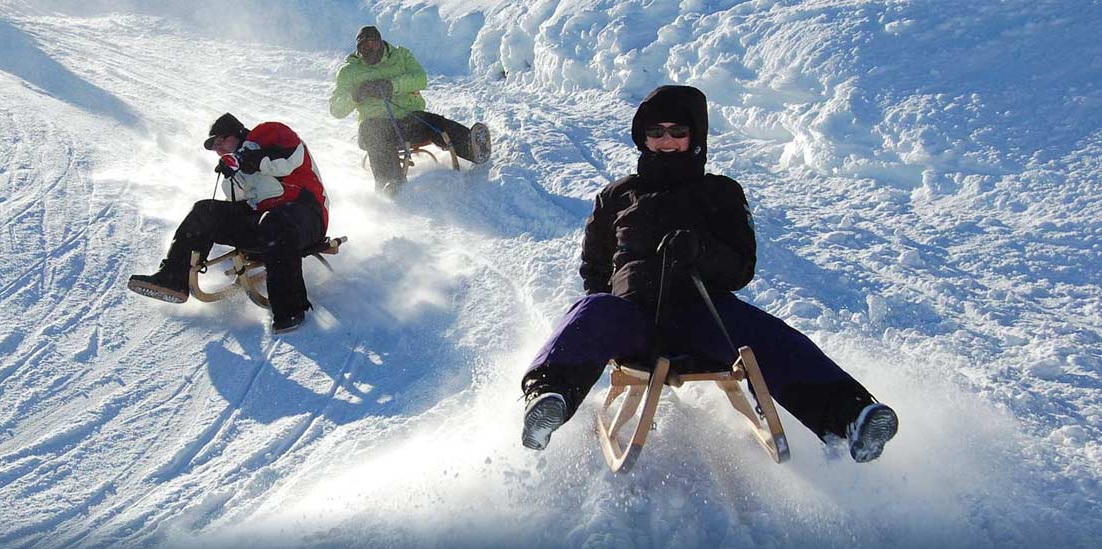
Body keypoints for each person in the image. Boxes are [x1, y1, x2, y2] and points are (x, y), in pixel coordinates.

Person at [520, 85, 899, 463]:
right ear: (643, 138)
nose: (666, 140)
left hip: (702, 314)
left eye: (677, 131)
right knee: (593, 307)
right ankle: (547, 399)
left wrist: (701, 250)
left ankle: (851, 415)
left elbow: (741, 268)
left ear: (695, 136)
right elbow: (595, 267)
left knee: (763, 333)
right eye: (655, 132)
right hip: (634, 320)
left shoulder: (721, 193)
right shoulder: (616, 196)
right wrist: (608, 313)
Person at [127, 113, 327, 334]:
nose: (219, 149)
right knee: (205, 210)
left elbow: (287, 162)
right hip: (265, 227)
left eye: (221, 141)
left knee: (274, 222)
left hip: (305, 214)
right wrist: (234, 174)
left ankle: (290, 309)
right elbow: (238, 204)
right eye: (215, 147)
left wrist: (245, 160)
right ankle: (173, 277)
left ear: (237, 133)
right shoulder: (235, 168)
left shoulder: (270, 132)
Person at [329, 25, 491, 195]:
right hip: (375, 126)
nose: (370, 49)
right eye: (364, 46)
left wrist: (393, 86)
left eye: (373, 44)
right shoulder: (349, 72)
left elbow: (420, 78)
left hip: (408, 119)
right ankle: (390, 182)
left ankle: (471, 147)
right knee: (373, 132)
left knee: (432, 122)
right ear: (358, 49)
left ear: (381, 43)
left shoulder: (401, 56)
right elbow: (336, 109)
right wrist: (356, 95)